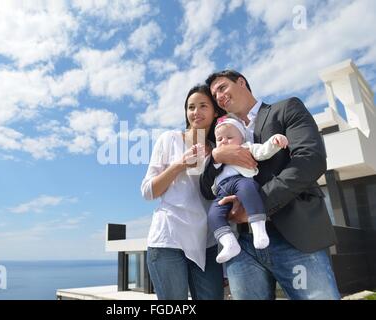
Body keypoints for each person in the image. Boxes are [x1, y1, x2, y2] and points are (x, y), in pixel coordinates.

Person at [200, 70, 341, 300]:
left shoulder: (286, 109)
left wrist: (256, 205)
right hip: (242, 247)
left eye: (222, 88)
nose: (219, 96)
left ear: (242, 82)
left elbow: (310, 160)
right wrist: (217, 156)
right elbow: (207, 189)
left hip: (295, 238)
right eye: (215, 95)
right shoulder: (222, 136)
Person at [141, 84, 226, 300]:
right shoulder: (169, 139)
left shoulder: (219, 149)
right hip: (169, 240)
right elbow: (148, 191)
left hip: (206, 242)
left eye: (203, 106)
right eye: (191, 107)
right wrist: (179, 165)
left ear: (215, 111)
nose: (195, 112)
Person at [208, 114, 288, 264]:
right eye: (219, 139)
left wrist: (275, 141)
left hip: (241, 181)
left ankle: (259, 230)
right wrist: (215, 155)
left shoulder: (246, 147)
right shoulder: (218, 157)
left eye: (229, 137)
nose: (224, 141)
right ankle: (229, 243)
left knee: (248, 191)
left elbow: (263, 151)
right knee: (213, 214)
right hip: (221, 190)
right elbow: (209, 169)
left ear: (242, 138)